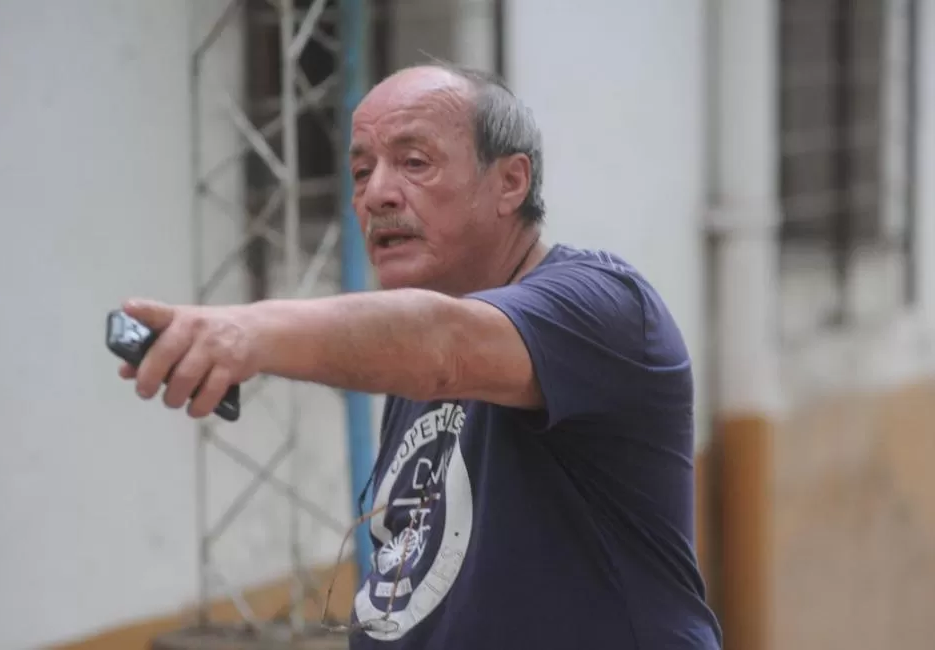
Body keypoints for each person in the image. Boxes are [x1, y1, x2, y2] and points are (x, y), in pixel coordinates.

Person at [117, 63, 722, 649]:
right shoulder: (413, 366)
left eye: (414, 163)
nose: (376, 193)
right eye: (360, 171)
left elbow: (442, 345)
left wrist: (247, 333)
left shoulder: (602, 307)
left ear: (510, 182)